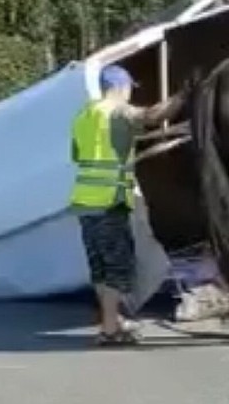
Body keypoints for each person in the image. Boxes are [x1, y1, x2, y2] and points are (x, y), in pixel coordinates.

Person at [69, 64, 185, 346]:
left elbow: (77, 154)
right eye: (130, 88)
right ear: (120, 87)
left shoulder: (84, 115)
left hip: (85, 202)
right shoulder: (118, 112)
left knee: (100, 268)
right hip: (109, 200)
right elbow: (152, 116)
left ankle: (113, 320)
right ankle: (110, 330)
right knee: (117, 269)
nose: (131, 93)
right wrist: (184, 95)